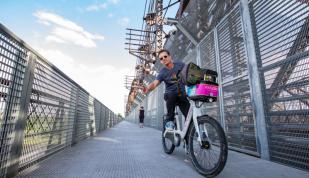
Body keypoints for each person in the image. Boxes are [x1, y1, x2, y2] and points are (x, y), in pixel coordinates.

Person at [143, 49, 190, 130]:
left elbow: (189, 71)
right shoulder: (162, 72)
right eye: (161, 58)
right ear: (161, 61)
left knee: (189, 117)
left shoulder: (180, 64)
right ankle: (170, 121)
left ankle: (188, 136)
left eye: (165, 56)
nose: (163, 59)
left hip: (182, 94)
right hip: (170, 95)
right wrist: (148, 88)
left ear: (170, 56)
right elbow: (155, 83)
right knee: (171, 95)